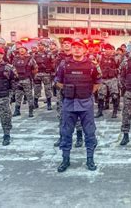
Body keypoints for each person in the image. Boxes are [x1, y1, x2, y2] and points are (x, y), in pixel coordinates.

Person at [55, 41, 101, 172]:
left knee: (90, 132)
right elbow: (58, 81)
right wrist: (68, 90)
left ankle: (90, 159)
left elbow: (98, 82)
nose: (76, 50)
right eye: (74, 47)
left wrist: (86, 91)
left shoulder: (92, 65)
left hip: (86, 103)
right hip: (69, 103)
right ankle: (65, 159)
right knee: (66, 132)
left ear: (85, 50)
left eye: (79, 47)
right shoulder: (64, 64)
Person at [12, 44, 38, 118]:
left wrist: (32, 76)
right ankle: (17, 110)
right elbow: (13, 67)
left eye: (23, 49)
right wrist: (15, 75)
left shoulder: (30, 58)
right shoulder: (15, 58)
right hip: (18, 80)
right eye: (20, 49)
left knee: (29, 95)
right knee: (18, 95)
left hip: (27, 79)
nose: (21, 50)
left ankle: (30, 111)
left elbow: (35, 68)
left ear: (26, 51)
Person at [96, 44, 120, 118]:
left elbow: (120, 68)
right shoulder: (100, 57)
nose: (108, 50)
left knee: (115, 96)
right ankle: (100, 111)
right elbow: (96, 66)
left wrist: (115, 72)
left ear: (112, 50)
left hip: (112, 79)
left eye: (109, 49)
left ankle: (115, 112)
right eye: (106, 49)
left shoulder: (116, 58)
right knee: (101, 96)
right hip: (103, 79)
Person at [33, 41, 54, 110]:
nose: (40, 46)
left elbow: (53, 63)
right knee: (36, 88)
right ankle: (35, 103)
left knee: (47, 89)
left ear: (45, 46)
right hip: (37, 73)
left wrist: (52, 71)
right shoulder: (34, 54)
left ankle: (49, 103)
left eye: (41, 45)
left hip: (46, 73)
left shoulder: (49, 54)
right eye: (39, 45)